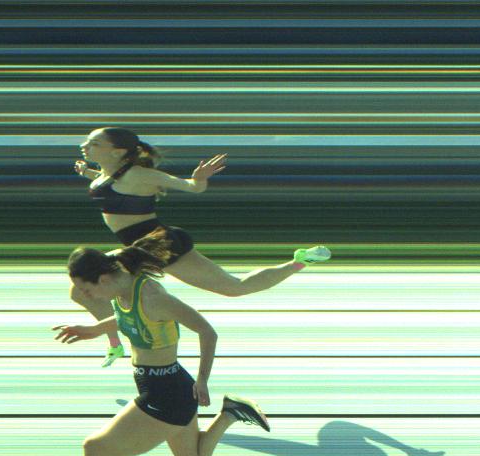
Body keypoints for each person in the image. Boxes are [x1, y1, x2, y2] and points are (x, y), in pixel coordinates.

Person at [27, 234, 272, 456]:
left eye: (87, 290)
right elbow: (126, 318)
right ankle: (231, 412)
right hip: (167, 387)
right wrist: (93, 330)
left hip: (166, 394)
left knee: (97, 448)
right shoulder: (120, 283)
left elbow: (207, 331)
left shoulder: (152, 297)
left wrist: (203, 380)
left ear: (103, 279)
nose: (86, 296)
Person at [75, 127, 331, 365]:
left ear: (117, 151)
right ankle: (115, 343)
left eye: (94, 143)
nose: (84, 146)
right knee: (82, 289)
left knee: (235, 288)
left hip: (157, 245)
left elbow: (192, 187)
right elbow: (110, 186)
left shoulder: (139, 175)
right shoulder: (108, 175)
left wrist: (199, 179)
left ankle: (300, 261)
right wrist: (87, 173)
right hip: (136, 248)